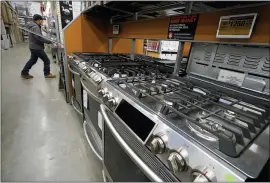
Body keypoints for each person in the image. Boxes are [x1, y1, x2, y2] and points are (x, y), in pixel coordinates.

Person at [21, 14, 56, 79]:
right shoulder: (36, 27)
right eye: (41, 20)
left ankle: (24, 72)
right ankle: (47, 74)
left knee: (32, 60)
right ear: (38, 20)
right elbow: (39, 37)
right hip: (37, 47)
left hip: (33, 46)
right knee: (46, 60)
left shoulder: (33, 26)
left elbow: (38, 36)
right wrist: (49, 41)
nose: (42, 22)